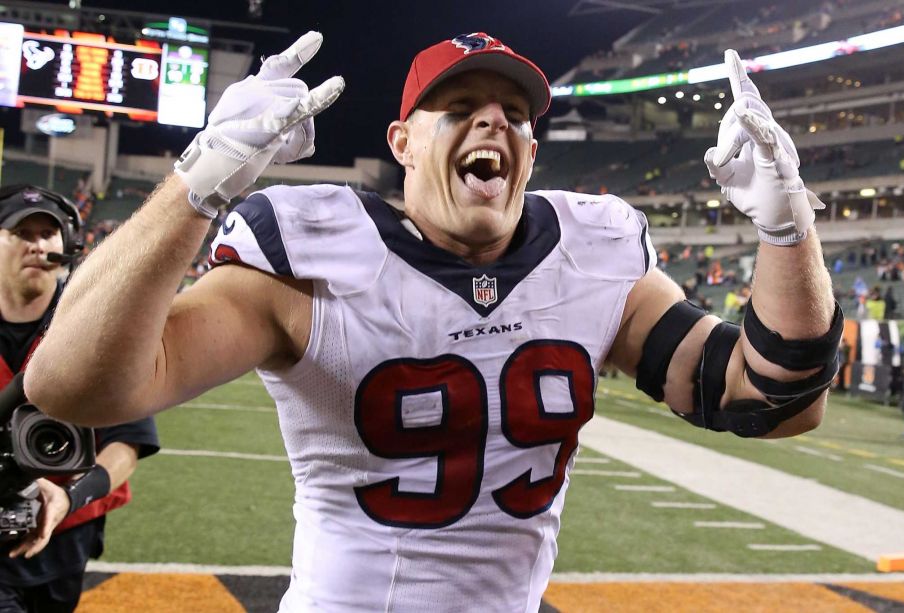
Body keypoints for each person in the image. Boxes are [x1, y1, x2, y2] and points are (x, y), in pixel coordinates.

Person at [24, 32, 839, 611]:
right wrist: (198, 180)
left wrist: (785, 223)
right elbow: (73, 385)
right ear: (403, 142)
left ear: (530, 152)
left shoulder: (593, 254)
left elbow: (775, 398)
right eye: (461, 105)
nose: (495, 122)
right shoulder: (312, 259)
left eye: (515, 115)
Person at [0, 185, 159, 613]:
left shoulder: (95, 332)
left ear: (66, 244)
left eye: (47, 234)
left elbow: (128, 442)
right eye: (22, 232)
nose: (37, 245)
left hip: (66, 535)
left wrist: (69, 497)